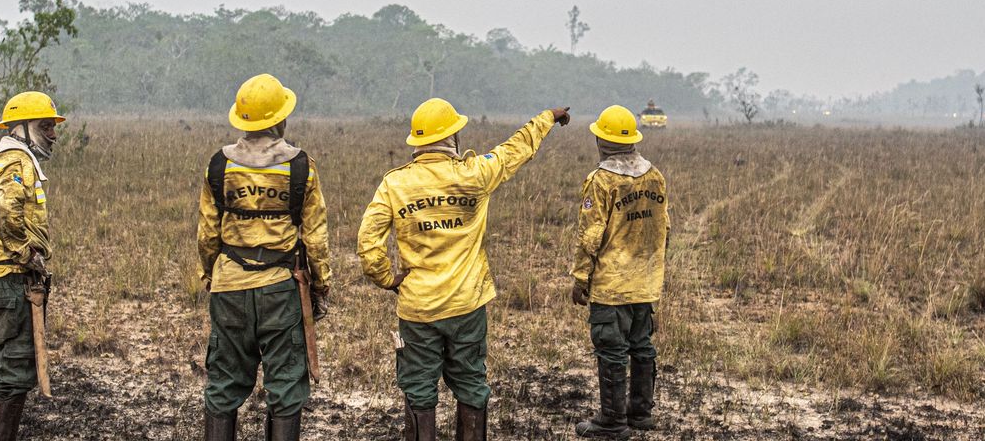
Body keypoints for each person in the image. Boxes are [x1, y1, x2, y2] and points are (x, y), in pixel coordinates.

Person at [358, 98, 571, 441]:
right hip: (467, 304)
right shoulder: (476, 173)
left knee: (418, 388)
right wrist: (547, 118)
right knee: (471, 383)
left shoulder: (395, 184)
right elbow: (514, 150)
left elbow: (368, 243)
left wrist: (387, 278)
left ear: (417, 142)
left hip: (418, 307)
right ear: (452, 138)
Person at [198, 73, 331, 441]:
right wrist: (320, 287)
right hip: (281, 289)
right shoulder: (301, 166)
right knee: (286, 388)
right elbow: (316, 237)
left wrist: (212, 274)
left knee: (223, 385)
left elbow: (208, 234)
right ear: (280, 119)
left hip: (228, 289)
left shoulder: (218, 166)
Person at [0, 91, 66, 441]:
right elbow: (8, 218)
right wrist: (29, 256)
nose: (53, 134)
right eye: (45, 126)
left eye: (53, 126)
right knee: (14, 372)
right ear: (22, 128)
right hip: (10, 280)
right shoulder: (18, 164)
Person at [571, 106, 670, 438]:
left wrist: (581, 278)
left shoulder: (601, 180)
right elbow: (664, 229)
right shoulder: (655, 176)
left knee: (611, 350)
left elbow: (590, 235)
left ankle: (612, 421)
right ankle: (640, 412)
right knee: (641, 345)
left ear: (601, 139)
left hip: (612, 286)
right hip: (646, 281)